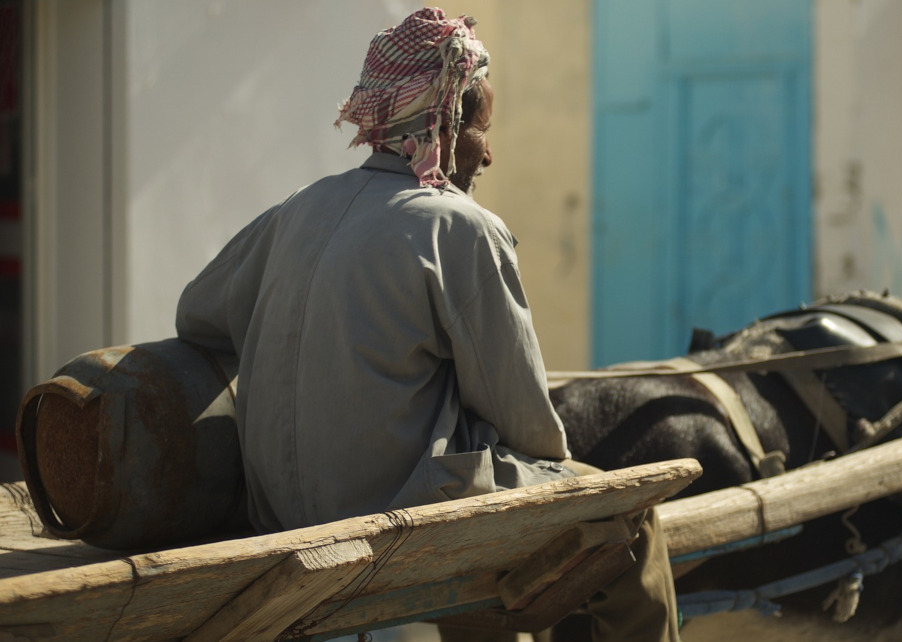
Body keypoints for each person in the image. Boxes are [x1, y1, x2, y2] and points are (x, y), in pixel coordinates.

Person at [175, 9, 679, 641]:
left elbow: (195, 312)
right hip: (395, 532)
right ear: (442, 120)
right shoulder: (460, 227)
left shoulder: (297, 208)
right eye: (482, 130)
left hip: (275, 515)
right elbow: (533, 433)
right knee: (627, 516)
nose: (489, 153)